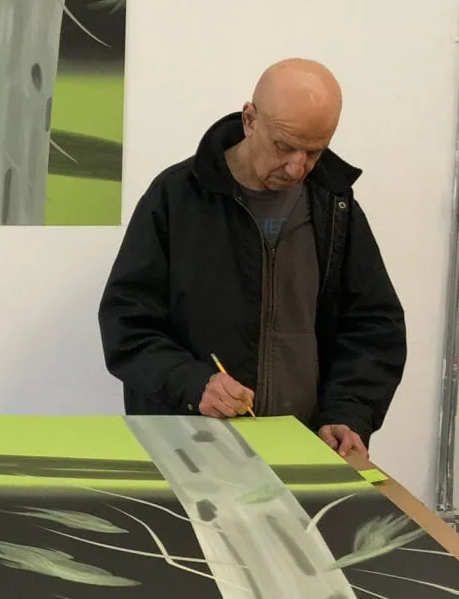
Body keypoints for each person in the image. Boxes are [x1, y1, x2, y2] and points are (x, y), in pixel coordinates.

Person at [98, 57, 406, 458]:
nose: (297, 168)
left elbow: (373, 327)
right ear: (250, 119)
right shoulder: (177, 197)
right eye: (284, 146)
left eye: (315, 151)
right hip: (189, 450)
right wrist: (193, 384)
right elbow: (127, 325)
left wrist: (348, 413)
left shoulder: (334, 205)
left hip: (304, 450)